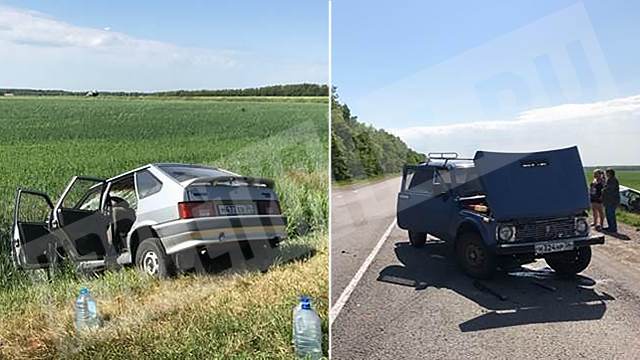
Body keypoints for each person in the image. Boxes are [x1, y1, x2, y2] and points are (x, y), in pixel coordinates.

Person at [602, 168, 620, 233]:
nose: (606, 174)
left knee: (611, 214)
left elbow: (609, 189)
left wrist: (603, 190)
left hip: (612, 200)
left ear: (610, 173)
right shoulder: (609, 180)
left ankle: (613, 228)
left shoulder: (613, 180)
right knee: (608, 214)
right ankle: (610, 227)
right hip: (609, 200)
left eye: (606, 173)